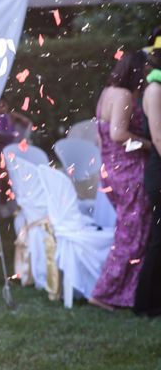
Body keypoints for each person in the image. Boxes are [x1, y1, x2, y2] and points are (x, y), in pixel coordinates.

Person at [91, 50, 152, 311]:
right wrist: (149, 145)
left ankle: (124, 294)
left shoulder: (107, 93)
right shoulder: (125, 95)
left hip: (111, 171)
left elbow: (101, 136)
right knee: (131, 235)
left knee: (131, 231)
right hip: (129, 172)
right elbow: (118, 134)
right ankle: (103, 293)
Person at [134, 32, 161, 317]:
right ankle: (146, 304)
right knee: (159, 240)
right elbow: (159, 137)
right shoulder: (155, 89)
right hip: (159, 172)